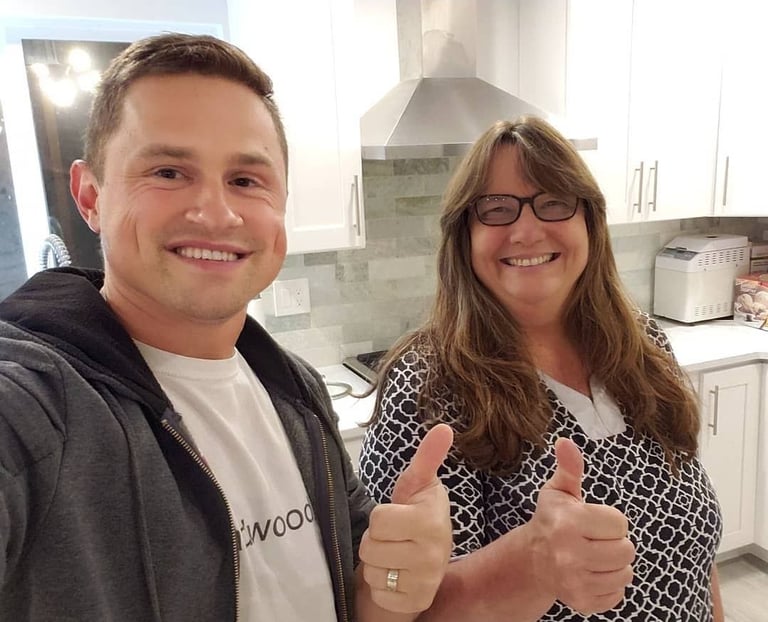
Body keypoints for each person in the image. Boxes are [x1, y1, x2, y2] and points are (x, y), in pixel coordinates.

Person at [0, 33, 455, 622]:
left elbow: (356, 605)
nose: (216, 213)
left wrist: (396, 584)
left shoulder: (296, 393)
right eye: (167, 171)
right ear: (90, 195)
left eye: (246, 180)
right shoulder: (36, 410)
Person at [359, 116, 725, 621]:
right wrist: (531, 562)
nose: (527, 230)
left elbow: (696, 554)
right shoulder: (428, 387)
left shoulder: (642, 345)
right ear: (464, 234)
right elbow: (399, 610)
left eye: (554, 201)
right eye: (495, 209)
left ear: (589, 221)